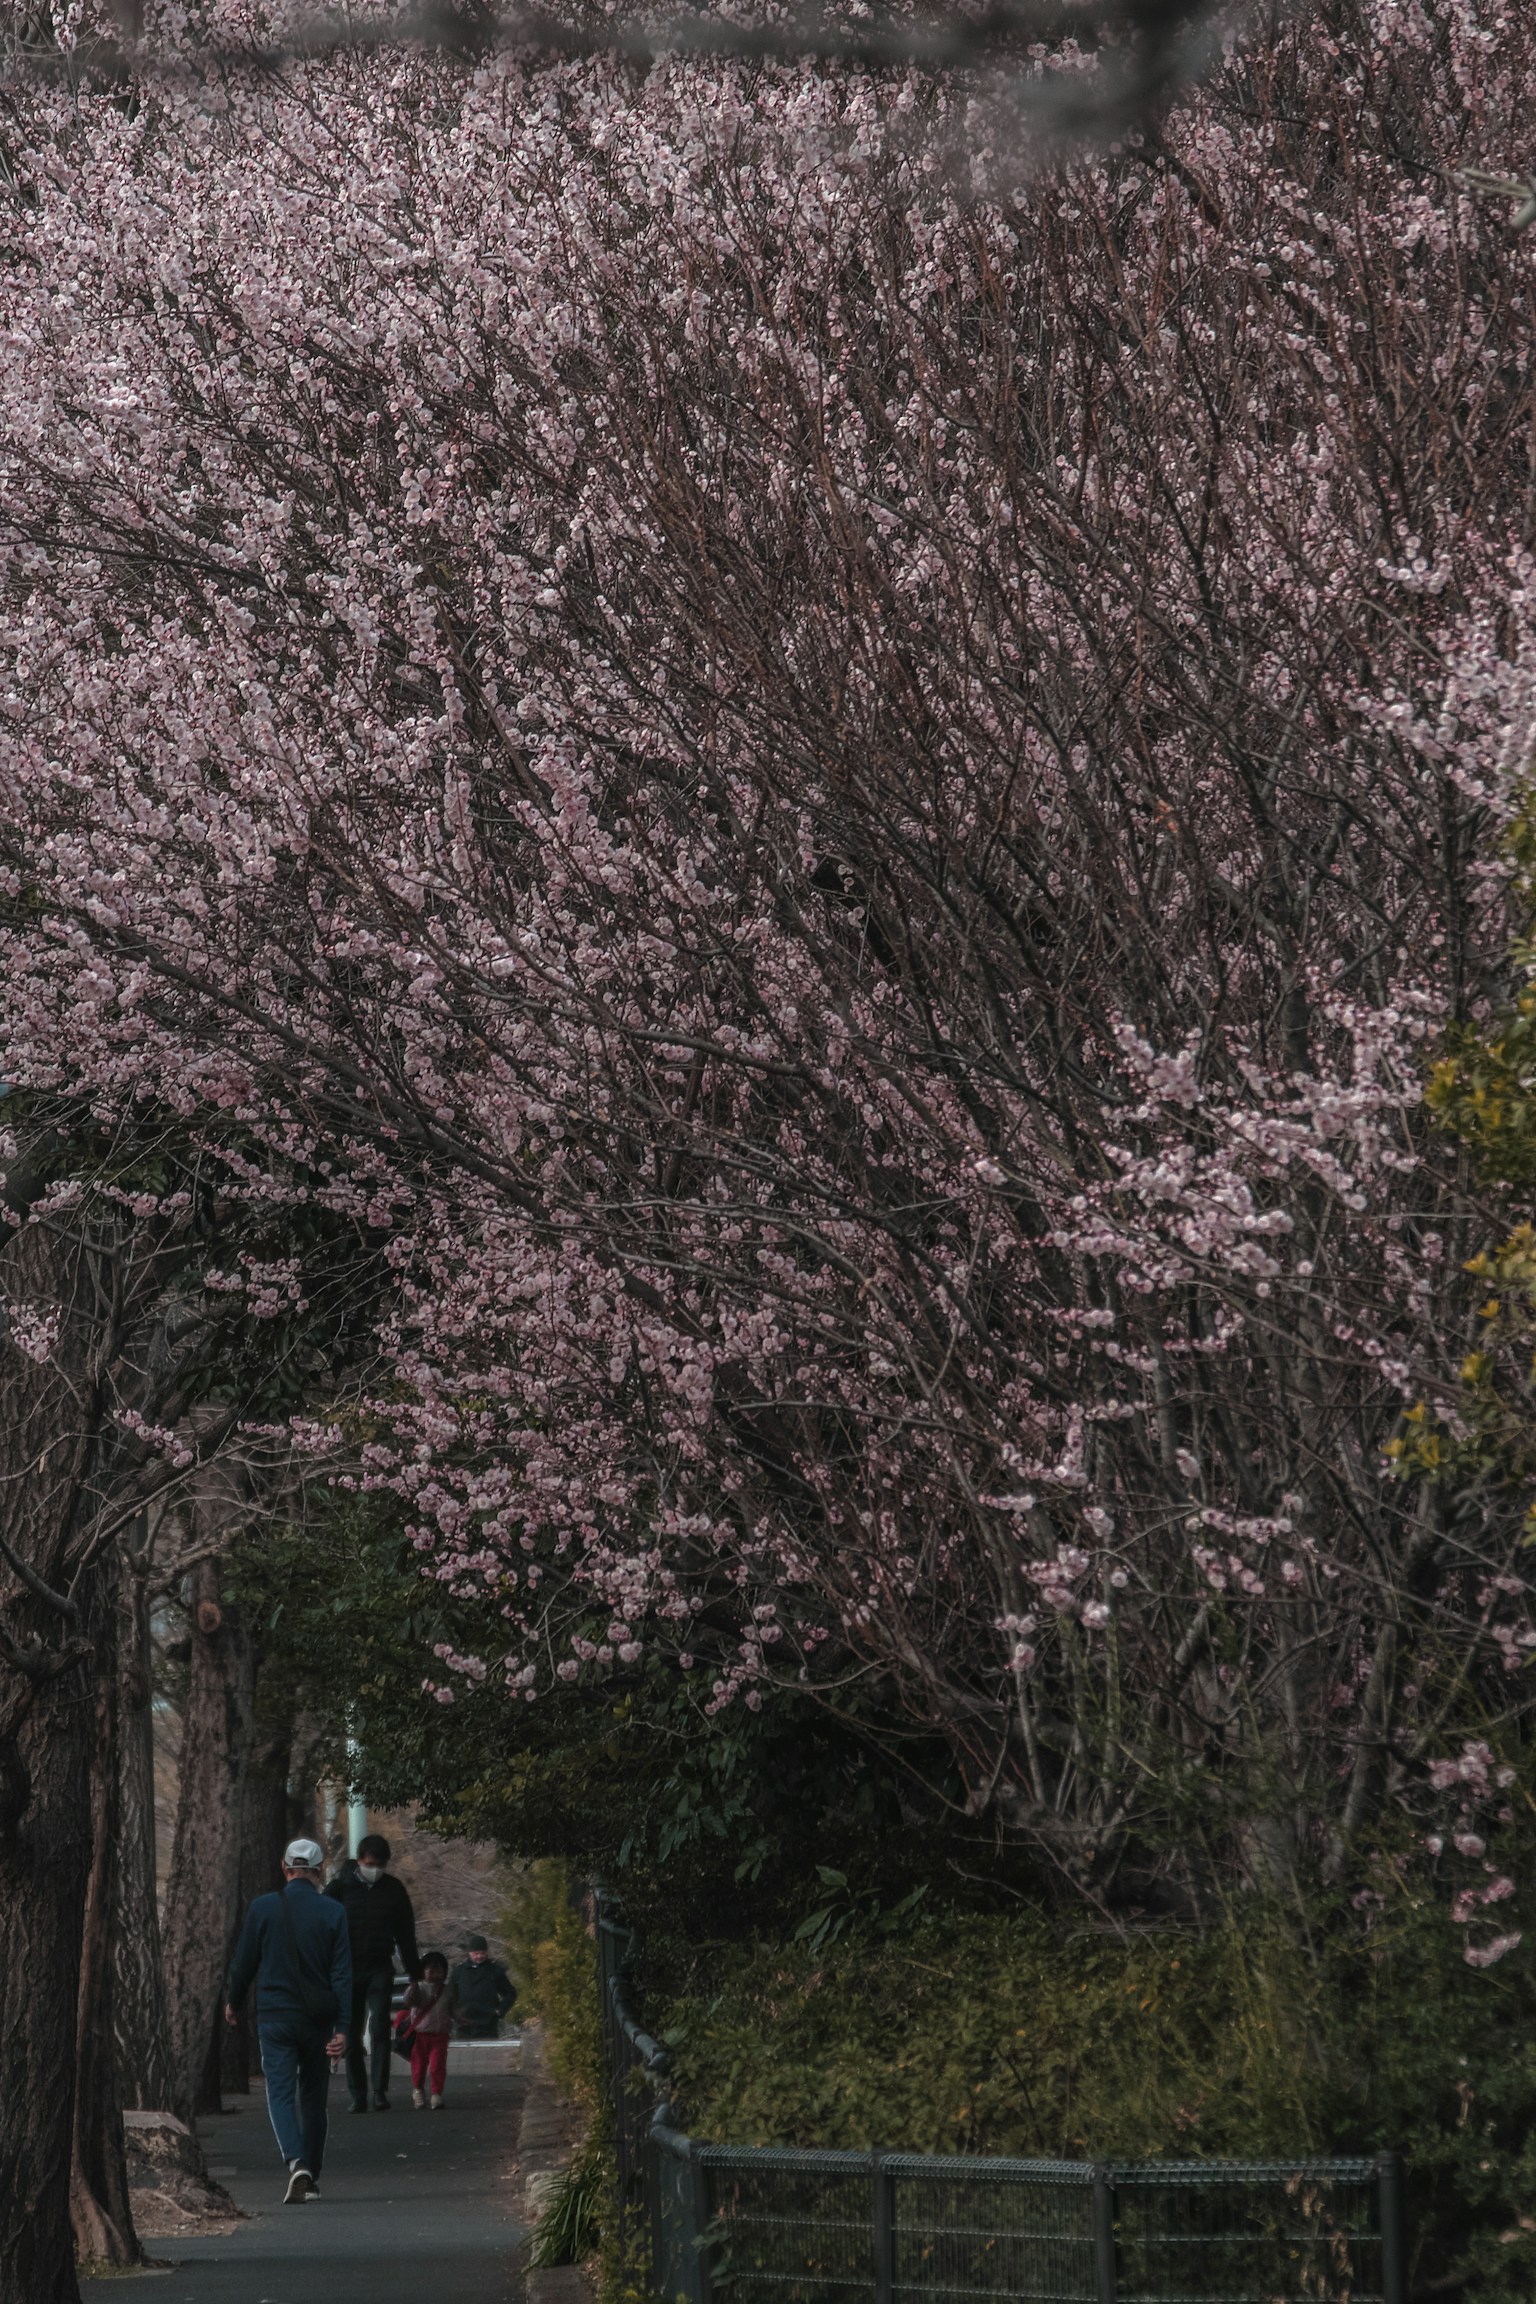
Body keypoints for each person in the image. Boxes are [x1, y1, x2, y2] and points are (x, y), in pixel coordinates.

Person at [224, 1837, 351, 2206]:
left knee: (279, 2093)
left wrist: (233, 2000)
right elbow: (342, 1975)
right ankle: (312, 2177)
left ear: (284, 1867)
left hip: (275, 2017)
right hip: (318, 2020)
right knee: (314, 2098)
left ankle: (297, 2163)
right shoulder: (334, 1912)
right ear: (320, 1870)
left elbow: (244, 1962)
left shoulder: (262, 1908)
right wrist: (343, 2028)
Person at [324, 1831, 422, 2112]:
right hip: (347, 1969)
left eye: (380, 1865)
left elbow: (406, 1934)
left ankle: (379, 2090)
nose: (375, 1870)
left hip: (380, 1966)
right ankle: (358, 2093)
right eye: (370, 1864)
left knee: (379, 2026)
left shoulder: (393, 1890)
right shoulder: (339, 1889)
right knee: (351, 2031)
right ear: (359, 1861)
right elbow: (323, 1929)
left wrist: (415, 1974)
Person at [400, 1949, 453, 2110]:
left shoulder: (447, 1990)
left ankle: (436, 2094)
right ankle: (418, 2090)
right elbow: (408, 2001)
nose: (435, 1972)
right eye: (431, 1968)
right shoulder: (418, 1987)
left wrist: (462, 2017)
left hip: (440, 2034)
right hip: (420, 2034)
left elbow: (454, 2009)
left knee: (438, 2066)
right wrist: (413, 1986)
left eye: (438, 1969)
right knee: (419, 2066)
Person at [448, 1933, 517, 2038]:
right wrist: (455, 2013)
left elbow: (510, 1993)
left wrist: (500, 2010)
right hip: (464, 2025)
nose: (479, 1956)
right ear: (470, 1953)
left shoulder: (495, 1971)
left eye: (482, 1953)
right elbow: (450, 1996)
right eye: (476, 1953)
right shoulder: (459, 1972)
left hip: (488, 2023)